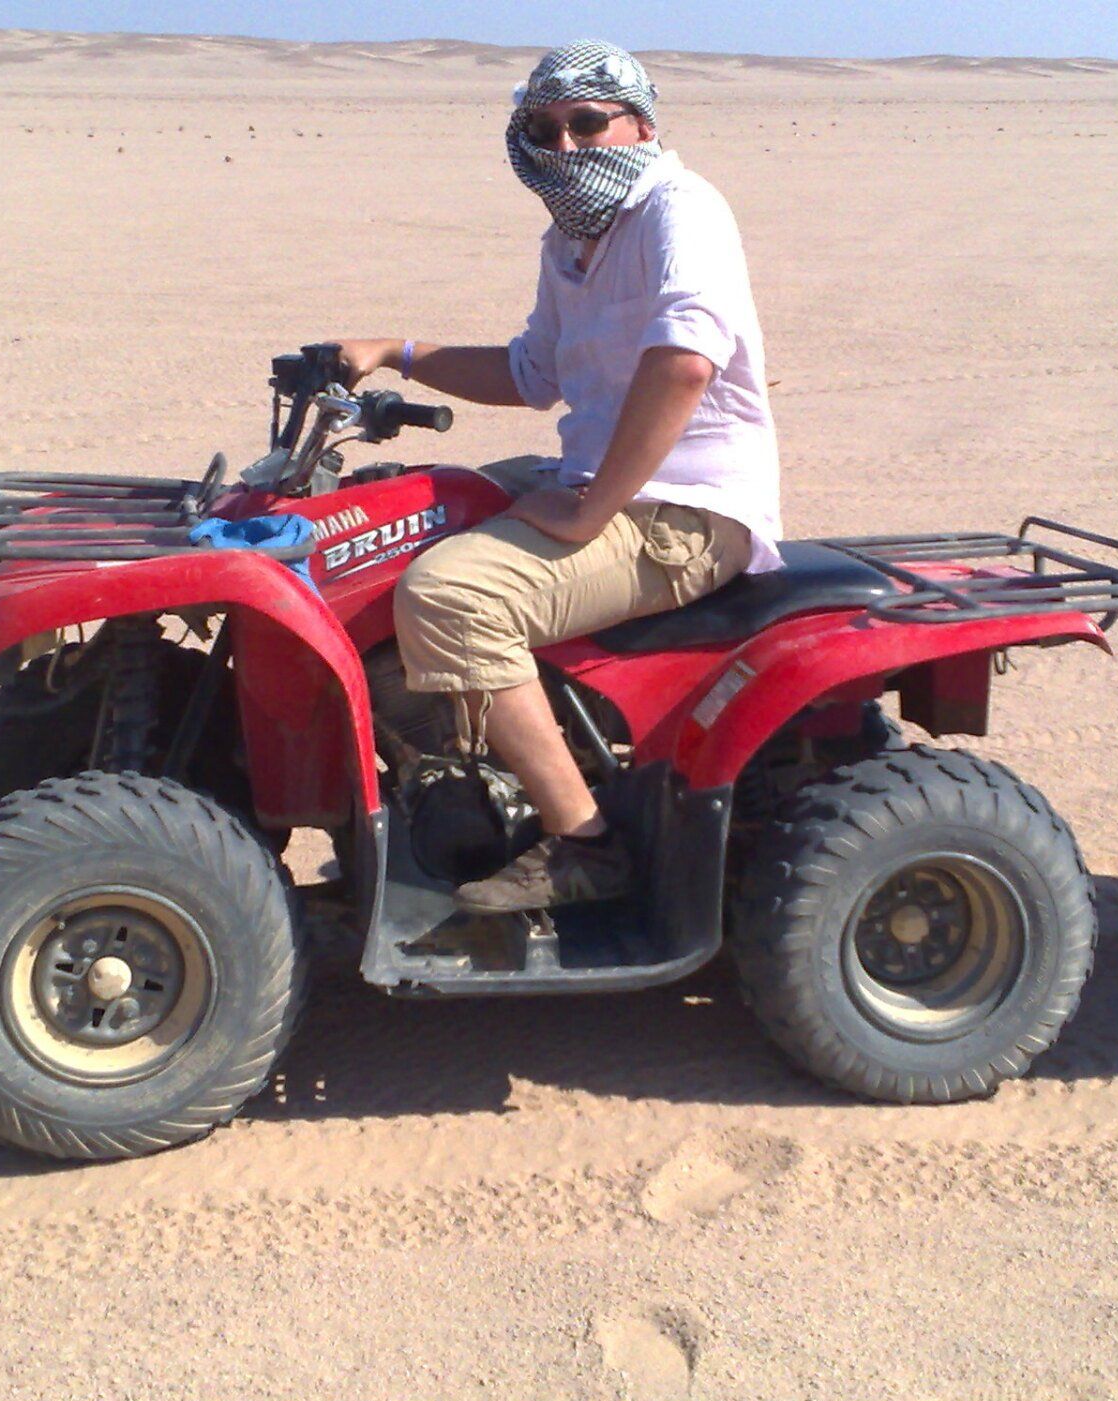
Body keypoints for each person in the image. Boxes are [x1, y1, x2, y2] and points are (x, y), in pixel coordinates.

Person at [334, 39, 782, 914]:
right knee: (392, 520)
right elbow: (534, 372)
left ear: (640, 126)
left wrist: (589, 513)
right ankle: (450, 757)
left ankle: (583, 845)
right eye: (546, 128)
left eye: (586, 123)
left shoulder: (678, 212)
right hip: (602, 481)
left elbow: (685, 363)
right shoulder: (574, 239)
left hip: (682, 510)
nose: (566, 145)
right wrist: (399, 354)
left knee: (453, 597)